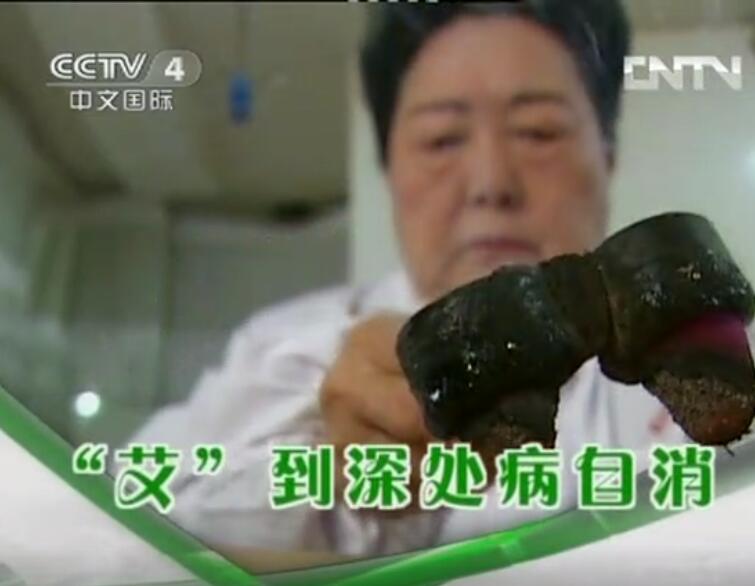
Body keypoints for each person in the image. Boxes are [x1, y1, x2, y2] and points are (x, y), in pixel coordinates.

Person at [127, 1, 688, 560]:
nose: (491, 183)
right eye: (442, 139)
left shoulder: (690, 358)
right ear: (390, 172)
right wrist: (320, 458)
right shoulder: (284, 352)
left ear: (608, 157)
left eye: (538, 132)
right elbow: (129, 522)